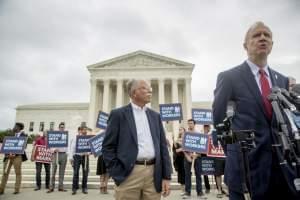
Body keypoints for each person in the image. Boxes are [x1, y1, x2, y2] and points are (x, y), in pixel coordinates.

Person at [213, 21, 299, 199]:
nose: (262, 38)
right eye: (257, 35)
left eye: (267, 35)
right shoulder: (229, 77)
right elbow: (219, 122)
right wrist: (236, 151)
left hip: (281, 170)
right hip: (246, 170)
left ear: (272, 46)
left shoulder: (281, 80)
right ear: (245, 45)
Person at [102, 79, 172, 200]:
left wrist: (166, 176)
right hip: (128, 174)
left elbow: (162, 147)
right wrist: (117, 172)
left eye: (150, 88)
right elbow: (108, 146)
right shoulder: (118, 115)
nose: (150, 90)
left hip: (153, 174)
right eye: (144, 88)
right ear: (134, 93)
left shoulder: (155, 116)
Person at [0, 123, 28, 195]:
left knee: (18, 173)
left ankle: (16, 189)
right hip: (8, 156)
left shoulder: (24, 136)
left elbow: (24, 146)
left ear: (19, 128)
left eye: (15, 126)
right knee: (5, 173)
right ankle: (1, 189)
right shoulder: (9, 134)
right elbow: (5, 143)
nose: (14, 127)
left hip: (17, 157)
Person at [182, 119, 205, 199]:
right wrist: (188, 156)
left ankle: (200, 192)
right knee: (187, 175)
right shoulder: (185, 134)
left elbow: (202, 147)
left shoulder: (199, 134)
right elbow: (183, 147)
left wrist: (197, 155)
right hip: (187, 158)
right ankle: (187, 192)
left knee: (198, 175)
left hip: (197, 158)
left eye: (191, 123)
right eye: (188, 123)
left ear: (194, 124)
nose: (189, 125)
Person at [47, 122, 68, 193]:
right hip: (55, 154)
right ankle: (51, 187)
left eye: (63, 127)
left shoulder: (66, 135)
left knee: (62, 172)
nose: (62, 128)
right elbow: (49, 146)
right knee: (53, 172)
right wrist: (53, 150)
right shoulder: (53, 135)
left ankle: (60, 187)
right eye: (61, 127)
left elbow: (68, 146)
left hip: (63, 154)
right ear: (59, 128)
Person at [69, 126, 89, 195]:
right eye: (84, 130)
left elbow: (90, 148)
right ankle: (74, 188)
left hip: (85, 157)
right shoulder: (76, 138)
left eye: (86, 130)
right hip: (77, 156)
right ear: (80, 130)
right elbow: (72, 148)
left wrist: (88, 153)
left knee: (85, 173)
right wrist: (71, 158)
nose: (85, 131)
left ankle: (84, 188)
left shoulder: (88, 138)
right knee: (76, 173)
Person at [172, 127, 186, 195]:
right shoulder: (177, 140)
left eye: (181, 129)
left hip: (186, 158)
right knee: (180, 174)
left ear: (184, 131)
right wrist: (175, 144)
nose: (180, 130)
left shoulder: (187, 139)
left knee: (186, 174)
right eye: (179, 129)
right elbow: (175, 150)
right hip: (179, 159)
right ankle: (182, 190)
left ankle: (187, 189)